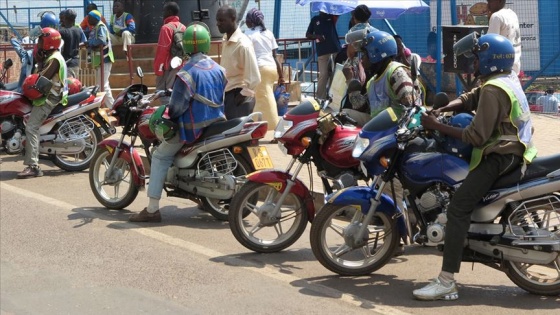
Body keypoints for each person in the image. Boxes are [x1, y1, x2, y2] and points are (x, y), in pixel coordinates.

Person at [414, 33, 537, 301]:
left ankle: (447, 281)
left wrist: (436, 126)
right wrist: (445, 107)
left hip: (500, 156)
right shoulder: (504, 79)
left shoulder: (494, 90)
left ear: (490, 59)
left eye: (478, 57)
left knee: (458, 207)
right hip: (517, 150)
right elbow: (471, 97)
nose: (474, 63)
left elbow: (476, 137)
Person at [129, 23, 227, 222]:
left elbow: (176, 109)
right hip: (216, 122)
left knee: (159, 156)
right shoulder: (219, 69)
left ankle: (152, 209)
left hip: (194, 128)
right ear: (207, 42)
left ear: (185, 46)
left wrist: (169, 112)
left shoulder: (186, 73)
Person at [17, 27, 68, 178]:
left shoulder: (54, 60)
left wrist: (38, 62)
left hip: (50, 98)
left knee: (31, 128)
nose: (38, 43)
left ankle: (33, 166)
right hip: (49, 95)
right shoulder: (53, 57)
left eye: (40, 40)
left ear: (48, 42)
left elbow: (39, 81)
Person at [216, 5, 260, 119]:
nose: (218, 23)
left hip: (238, 97)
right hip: (228, 95)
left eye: (221, 20)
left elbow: (254, 77)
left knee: (238, 134)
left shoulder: (243, 45)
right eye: (217, 20)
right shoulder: (226, 40)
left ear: (233, 18)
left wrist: (240, 96)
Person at [244, 8, 284, 132]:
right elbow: (274, 56)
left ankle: (274, 127)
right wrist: (280, 75)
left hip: (260, 69)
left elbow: (246, 53)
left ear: (251, 22)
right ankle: (256, 126)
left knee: (265, 98)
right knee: (263, 98)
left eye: (247, 20)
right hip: (272, 69)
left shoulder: (248, 34)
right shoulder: (268, 33)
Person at [153, 1, 186, 104]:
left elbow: (162, 51)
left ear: (169, 11)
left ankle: (168, 116)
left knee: (163, 93)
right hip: (181, 66)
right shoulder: (183, 27)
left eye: (164, 11)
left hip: (167, 68)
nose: (162, 13)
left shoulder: (166, 28)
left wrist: (158, 70)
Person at [305, 11, 341, 100]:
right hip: (322, 52)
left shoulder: (332, 17)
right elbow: (308, 34)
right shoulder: (315, 19)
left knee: (335, 74)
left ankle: (334, 98)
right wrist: (317, 36)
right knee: (323, 74)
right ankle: (320, 98)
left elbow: (338, 12)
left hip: (335, 50)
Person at [85, 9, 115, 108]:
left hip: (105, 60)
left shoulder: (101, 26)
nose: (87, 19)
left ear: (95, 18)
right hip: (99, 61)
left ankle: (112, 107)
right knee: (101, 84)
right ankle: (110, 107)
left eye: (89, 17)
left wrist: (90, 43)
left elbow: (101, 40)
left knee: (103, 85)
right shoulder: (95, 28)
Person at [487, 0, 521, 75]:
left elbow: (490, 44)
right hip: (514, 67)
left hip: (502, 69)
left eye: (490, 1)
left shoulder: (496, 16)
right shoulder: (512, 14)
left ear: (499, 1)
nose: (488, 5)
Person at [59, 9, 86, 78]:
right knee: (73, 85)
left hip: (65, 63)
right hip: (76, 63)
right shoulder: (78, 31)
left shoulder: (61, 32)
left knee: (66, 86)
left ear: (64, 18)